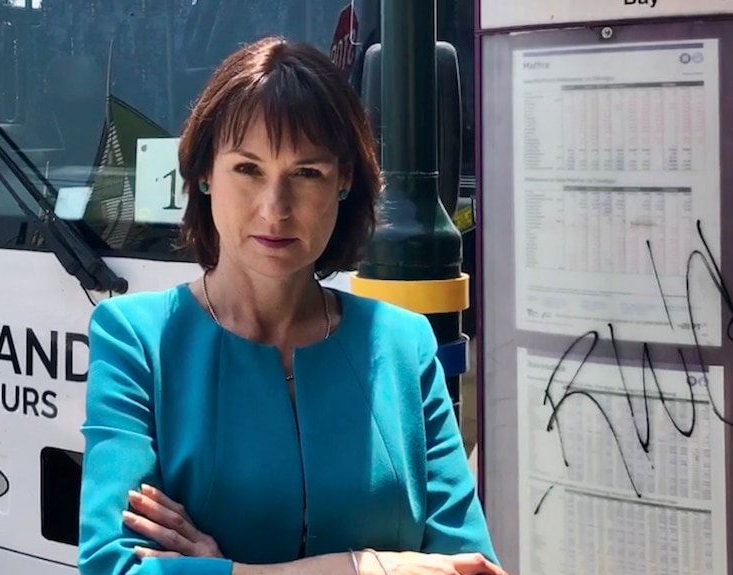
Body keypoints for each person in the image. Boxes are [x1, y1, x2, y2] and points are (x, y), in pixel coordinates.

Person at [77, 36, 505, 575]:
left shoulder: (404, 344)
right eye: (248, 169)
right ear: (204, 173)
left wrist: (221, 568)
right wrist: (365, 568)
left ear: (345, 180)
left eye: (307, 173)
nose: (274, 209)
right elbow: (111, 568)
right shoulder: (135, 340)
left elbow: (472, 569)